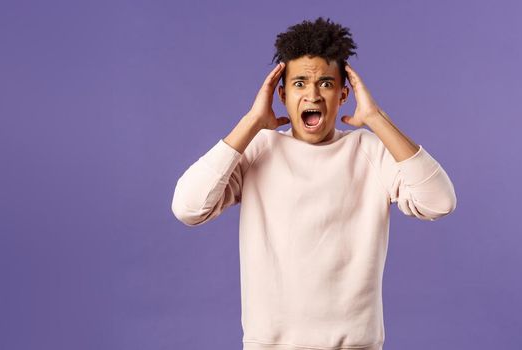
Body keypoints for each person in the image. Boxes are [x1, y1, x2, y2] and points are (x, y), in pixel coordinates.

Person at [171, 17, 457, 350]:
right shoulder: (259, 150)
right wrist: (251, 123)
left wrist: (376, 119)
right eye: (299, 83)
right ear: (281, 94)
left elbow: (439, 201)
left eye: (325, 83)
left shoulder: (368, 151)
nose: (313, 95)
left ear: (343, 93)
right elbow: (188, 207)